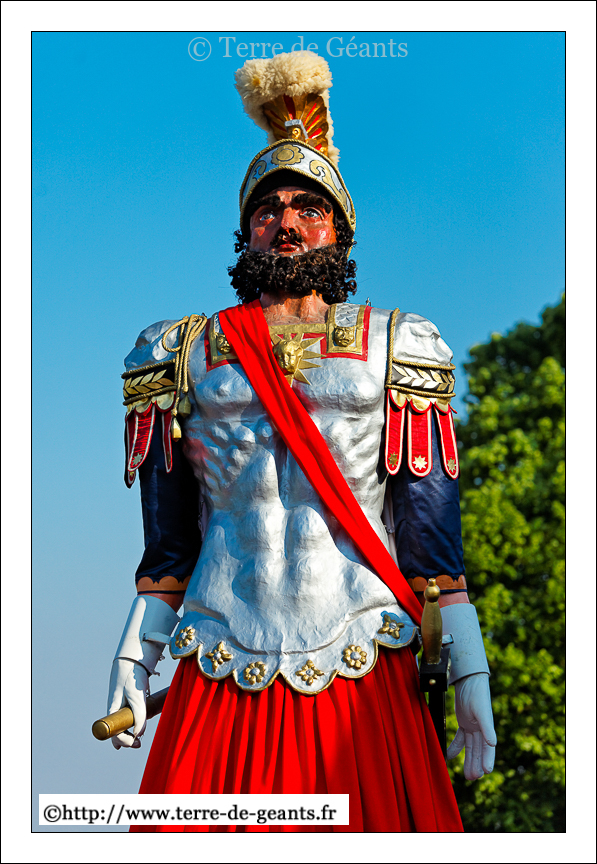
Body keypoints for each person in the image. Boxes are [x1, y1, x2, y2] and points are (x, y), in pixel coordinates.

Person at [108, 52, 496, 833]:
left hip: (360, 642)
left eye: (307, 207)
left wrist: (468, 667)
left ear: (339, 230)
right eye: (267, 209)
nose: (285, 222)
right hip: (220, 640)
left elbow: (429, 532)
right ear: (245, 229)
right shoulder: (176, 351)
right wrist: (133, 654)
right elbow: (169, 538)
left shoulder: (399, 342)